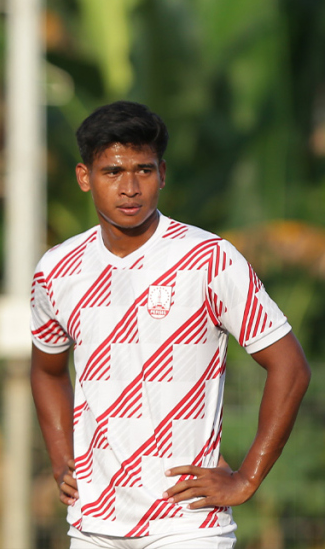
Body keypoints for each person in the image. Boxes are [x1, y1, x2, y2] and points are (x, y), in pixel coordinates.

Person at [30, 101, 311, 549]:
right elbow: (46, 370)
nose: (129, 187)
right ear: (85, 178)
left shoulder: (208, 259)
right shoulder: (57, 269)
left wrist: (245, 477)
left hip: (188, 525)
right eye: (113, 172)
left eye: (143, 170)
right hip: (93, 526)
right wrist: (62, 458)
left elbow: (290, 367)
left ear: (162, 174)